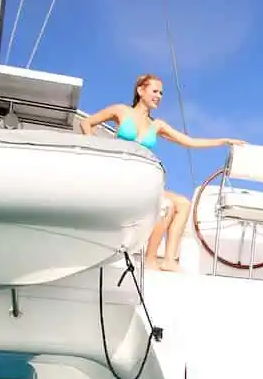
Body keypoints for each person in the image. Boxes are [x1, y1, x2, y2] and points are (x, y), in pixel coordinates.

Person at [80, 73, 245, 272]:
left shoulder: (156, 125)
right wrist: (97, 154)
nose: (159, 96)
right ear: (141, 91)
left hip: (143, 183)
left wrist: (224, 141)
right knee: (166, 205)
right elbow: (86, 123)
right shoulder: (121, 111)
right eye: (155, 91)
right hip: (122, 180)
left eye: (161, 93)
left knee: (183, 204)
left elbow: (189, 141)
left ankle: (168, 260)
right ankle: (150, 260)